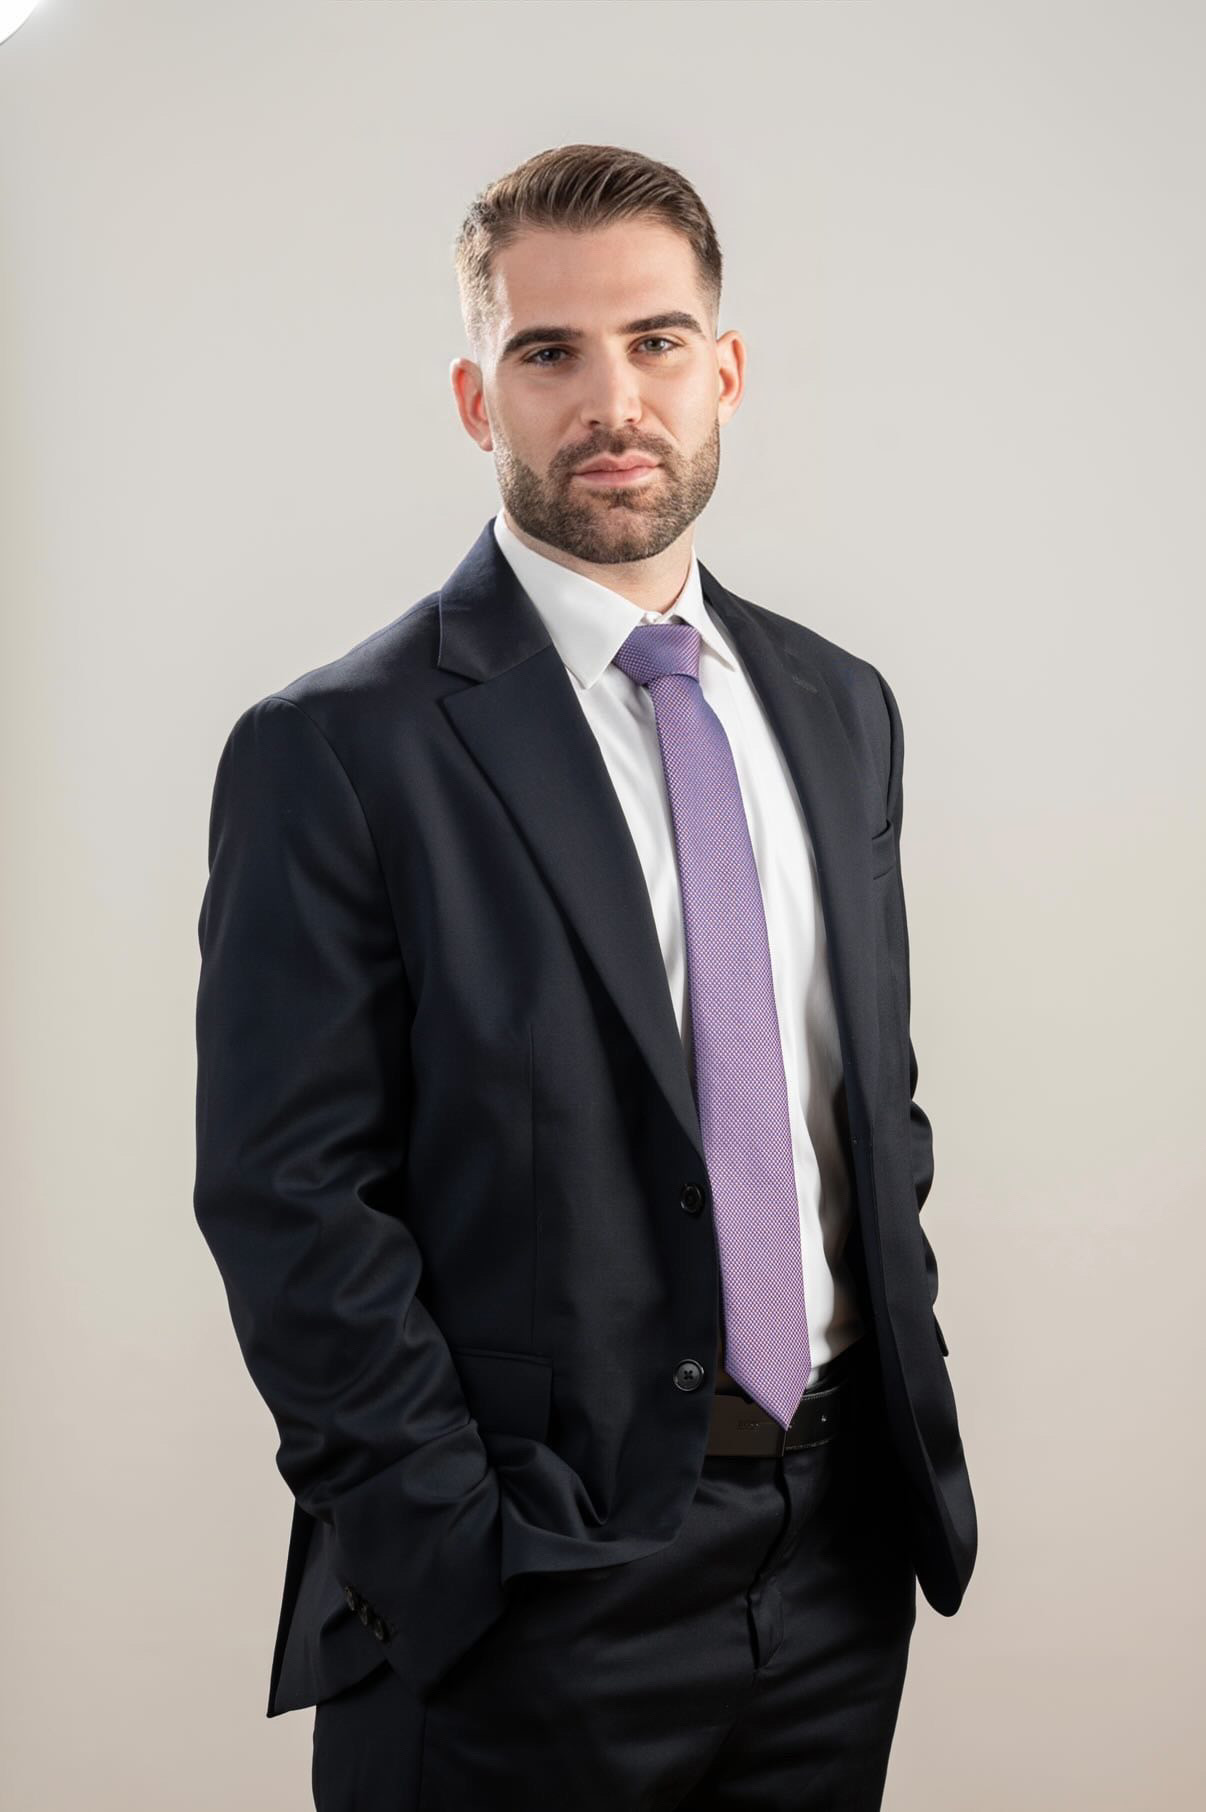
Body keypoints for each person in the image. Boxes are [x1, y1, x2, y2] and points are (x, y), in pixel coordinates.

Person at [193, 142, 977, 1812]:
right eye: (549, 352)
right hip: (531, 1588)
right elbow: (289, 1199)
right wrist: (453, 1555)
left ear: (725, 371)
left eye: (655, 342)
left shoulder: (839, 709)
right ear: (476, 397)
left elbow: (865, 1107)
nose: (611, 401)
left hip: (835, 1559)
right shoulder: (338, 750)